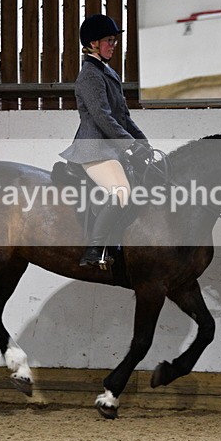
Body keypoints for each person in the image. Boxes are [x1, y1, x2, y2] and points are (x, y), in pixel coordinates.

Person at [60, 14, 153, 268]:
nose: (113, 45)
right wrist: (129, 144)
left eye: (114, 40)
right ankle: (94, 249)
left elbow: (123, 116)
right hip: (93, 148)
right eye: (108, 41)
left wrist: (142, 141)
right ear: (92, 44)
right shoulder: (90, 74)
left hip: (109, 147)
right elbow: (103, 117)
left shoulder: (108, 71)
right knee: (121, 191)